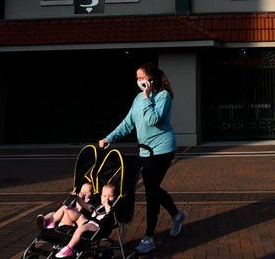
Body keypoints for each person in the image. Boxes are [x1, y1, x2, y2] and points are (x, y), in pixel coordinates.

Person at [99, 62, 187, 254]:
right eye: (137, 78)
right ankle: (177, 215)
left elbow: (152, 120)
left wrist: (147, 97)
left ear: (151, 79)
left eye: (141, 78)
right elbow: (128, 122)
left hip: (163, 149)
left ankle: (149, 237)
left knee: (151, 191)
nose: (138, 81)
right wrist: (109, 138)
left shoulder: (163, 96)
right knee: (152, 188)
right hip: (145, 151)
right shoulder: (138, 98)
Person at [54, 183, 118, 258]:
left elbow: (109, 213)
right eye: (104, 196)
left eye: (110, 196)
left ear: (115, 197)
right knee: (69, 210)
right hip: (89, 222)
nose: (106, 198)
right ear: (101, 196)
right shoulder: (98, 206)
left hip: (98, 226)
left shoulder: (111, 207)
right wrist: (77, 198)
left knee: (81, 229)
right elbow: (85, 205)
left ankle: (69, 248)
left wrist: (107, 204)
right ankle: (55, 222)